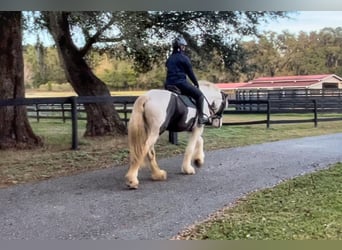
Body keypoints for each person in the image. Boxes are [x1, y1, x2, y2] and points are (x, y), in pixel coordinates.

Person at [165, 36, 208, 126]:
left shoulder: (169, 59)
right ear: (180, 47)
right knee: (199, 96)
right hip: (180, 83)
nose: (184, 48)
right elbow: (190, 73)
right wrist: (196, 83)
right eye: (183, 46)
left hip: (168, 84)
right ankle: (200, 117)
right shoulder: (184, 58)